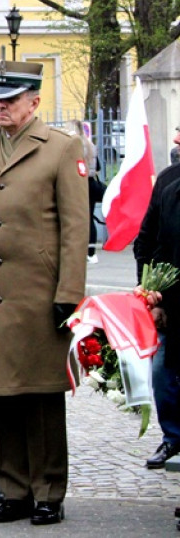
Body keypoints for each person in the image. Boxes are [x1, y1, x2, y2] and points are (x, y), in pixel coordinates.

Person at [0, 62, 88, 525]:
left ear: (34, 101)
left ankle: (48, 490)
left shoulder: (61, 149)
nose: (2, 107)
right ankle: (12, 489)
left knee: (41, 396)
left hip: (40, 294)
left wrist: (69, 293)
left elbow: (74, 229)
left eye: (10, 100)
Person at [134, 126, 180, 474]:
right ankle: (173, 436)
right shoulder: (168, 183)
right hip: (172, 305)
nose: (176, 139)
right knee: (163, 371)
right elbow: (149, 242)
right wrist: (150, 293)